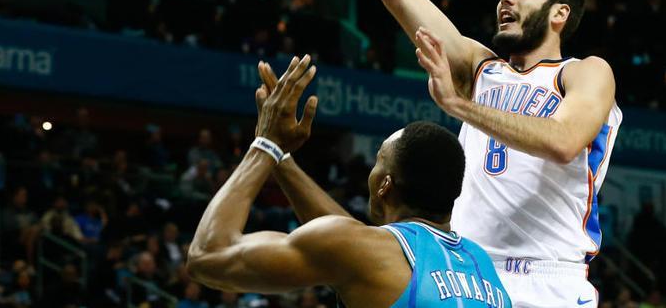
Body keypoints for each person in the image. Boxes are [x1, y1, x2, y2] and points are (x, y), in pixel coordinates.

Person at [369, 0, 622, 307]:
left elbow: (564, 141)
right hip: (469, 273)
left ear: (559, 14)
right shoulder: (480, 67)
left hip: (547, 281)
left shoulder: (586, 72)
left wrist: (457, 105)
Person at [188, 57, 512, 308]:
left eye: (377, 161)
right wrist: (282, 160)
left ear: (385, 185)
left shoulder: (366, 253)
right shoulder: (480, 264)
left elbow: (207, 255)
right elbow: (349, 243)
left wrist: (266, 145)